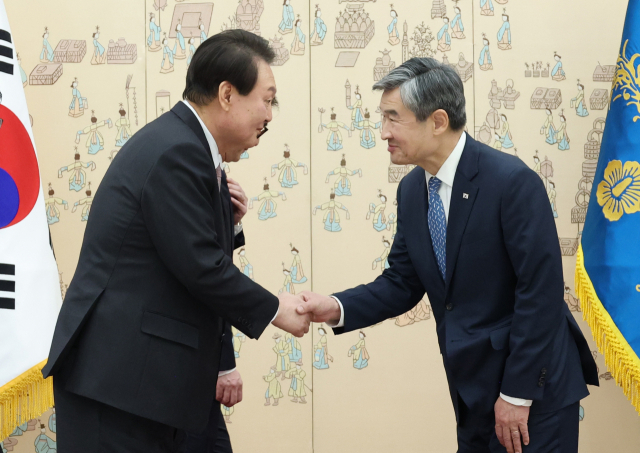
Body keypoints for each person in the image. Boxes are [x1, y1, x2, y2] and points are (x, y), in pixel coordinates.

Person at [297, 57, 598, 453]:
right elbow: (402, 283)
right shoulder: (412, 191)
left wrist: (517, 394)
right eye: (382, 118)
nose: (383, 132)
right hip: (471, 392)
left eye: (393, 118)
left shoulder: (511, 182)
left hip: (532, 395)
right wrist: (335, 307)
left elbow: (540, 293)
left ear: (437, 121)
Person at [42, 29, 311, 453]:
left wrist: (228, 223)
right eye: (267, 99)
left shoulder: (187, 148)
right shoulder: (177, 152)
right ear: (227, 94)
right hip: (117, 385)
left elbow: (179, 252)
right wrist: (276, 308)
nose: (270, 116)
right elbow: (200, 266)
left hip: (141, 384)